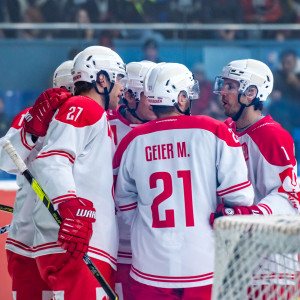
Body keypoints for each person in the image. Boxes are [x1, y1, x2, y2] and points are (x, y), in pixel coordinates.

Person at [113, 62, 255, 300]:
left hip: (149, 266)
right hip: (203, 265)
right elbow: (240, 197)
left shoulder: (132, 140)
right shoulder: (214, 130)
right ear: (180, 98)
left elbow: (124, 207)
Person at [30, 46, 126, 300]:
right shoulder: (86, 107)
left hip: (76, 240)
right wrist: (70, 207)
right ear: (102, 79)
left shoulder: (90, 112)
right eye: (119, 78)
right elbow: (52, 159)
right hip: (79, 243)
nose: (122, 87)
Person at [210, 58, 299, 297]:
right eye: (223, 84)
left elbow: (289, 195)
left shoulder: (272, 135)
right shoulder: (225, 130)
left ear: (251, 93)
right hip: (234, 253)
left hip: (270, 261)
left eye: (230, 86)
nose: (222, 93)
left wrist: (250, 214)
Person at [0, 60, 73, 300]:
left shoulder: (96, 120)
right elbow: (5, 160)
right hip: (28, 242)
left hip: (76, 239)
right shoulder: (30, 115)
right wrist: (31, 132)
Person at [107, 60, 157, 300]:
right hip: (112, 248)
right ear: (129, 95)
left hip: (152, 250)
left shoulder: (168, 130)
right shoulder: (102, 125)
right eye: (150, 95)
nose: (158, 102)